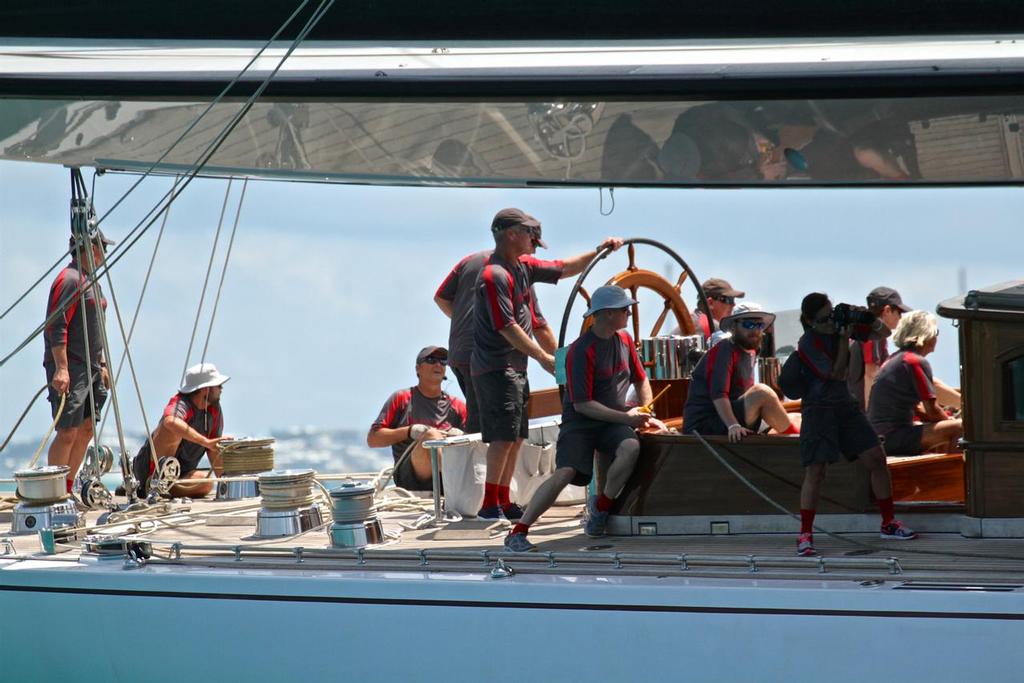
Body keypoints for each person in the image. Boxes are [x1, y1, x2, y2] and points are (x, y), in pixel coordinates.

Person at [471, 207, 623, 521]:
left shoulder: (522, 267)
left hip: (514, 367)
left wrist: (600, 252)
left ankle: (503, 500)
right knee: (502, 436)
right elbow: (507, 326)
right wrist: (543, 357)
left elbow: (563, 268)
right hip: (496, 367)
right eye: (530, 235)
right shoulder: (494, 275)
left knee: (516, 436)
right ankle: (490, 504)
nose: (535, 242)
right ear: (512, 234)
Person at [504, 286, 666, 552]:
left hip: (614, 421)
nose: (630, 312)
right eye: (625, 309)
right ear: (607, 314)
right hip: (581, 424)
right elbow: (583, 405)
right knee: (564, 473)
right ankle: (518, 531)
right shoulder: (580, 352)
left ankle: (601, 508)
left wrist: (645, 409)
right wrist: (627, 418)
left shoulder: (624, 340)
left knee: (631, 448)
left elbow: (640, 378)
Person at [795, 293, 916, 557]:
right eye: (823, 319)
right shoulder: (808, 343)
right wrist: (842, 336)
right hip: (818, 410)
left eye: (831, 314)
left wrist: (865, 318)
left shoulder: (841, 328)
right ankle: (805, 534)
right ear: (809, 320)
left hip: (845, 406)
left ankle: (888, 523)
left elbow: (883, 332)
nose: (829, 322)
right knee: (816, 471)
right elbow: (837, 372)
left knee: (876, 458)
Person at [435, 244, 557, 435]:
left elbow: (440, 298)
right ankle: (487, 464)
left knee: (484, 419)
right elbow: (539, 326)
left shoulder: (469, 261)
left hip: (462, 355)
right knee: (499, 428)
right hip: (493, 360)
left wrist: (468, 323)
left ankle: (484, 460)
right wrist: (562, 368)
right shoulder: (516, 273)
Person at [44, 229, 114, 495]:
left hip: (92, 366)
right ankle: (53, 494)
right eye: (102, 249)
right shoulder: (70, 279)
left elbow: (96, 329)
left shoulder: (90, 282)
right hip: (72, 365)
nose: (104, 255)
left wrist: (103, 364)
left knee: (86, 429)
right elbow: (56, 325)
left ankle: (68, 489)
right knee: (68, 430)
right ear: (92, 249)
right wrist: (61, 367)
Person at [683, 303, 799, 442]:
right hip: (705, 427)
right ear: (733, 326)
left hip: (731, 416)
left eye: (759, 325)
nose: (755, 330)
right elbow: (719, 395)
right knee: (762, 393)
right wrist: (733, 425)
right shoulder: (724, 350)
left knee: (797, 417)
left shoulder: (751, 351)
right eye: (749, 325)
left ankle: (794, 440)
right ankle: (798, 445)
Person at [367, 346, 467, 492]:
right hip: (410, 478)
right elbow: (373, 439)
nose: (438, 364)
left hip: (444, 479)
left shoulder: (457, 406)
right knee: (431, 436)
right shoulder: (402, 399)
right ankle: (458, 488)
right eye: (431, 360)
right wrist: (409, 431)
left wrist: (459, 437)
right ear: (418, 368)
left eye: (443, 361)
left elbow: (475, 443)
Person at [868, 311, 963, 455]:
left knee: (941, 427)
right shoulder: (914, 361)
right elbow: (932, 411)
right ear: (927, 334)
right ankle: (957, 474)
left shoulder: (895, 359)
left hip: (880, 437)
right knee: (960, 427)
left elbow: (919, 410)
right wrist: (949, 420)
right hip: (894, 436)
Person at [131, 363, 228, 498]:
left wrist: (226, 485)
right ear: (205, 389)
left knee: (207, 482)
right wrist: (205, 441)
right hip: (149, 472)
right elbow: (170, 421)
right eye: (218, 385)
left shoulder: (214, 410)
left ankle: (163, 489)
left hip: (181, 475)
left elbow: (213, 449)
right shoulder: (181, 403)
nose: (221, 388)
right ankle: (153, 483)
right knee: (172, 428)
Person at [848, 286, 910, 411]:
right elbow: (871, 374)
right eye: (899, 312)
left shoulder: (859, 332)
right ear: (887, 310)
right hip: (860, 411)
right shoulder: (873, 335)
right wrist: (870, 417)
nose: (900, 318)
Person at [670, 278, 744, 343]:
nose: (733, 305)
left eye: (733, 300)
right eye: (728, 300)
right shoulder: (709, 325)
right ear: (710, 303)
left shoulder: (694, 320)